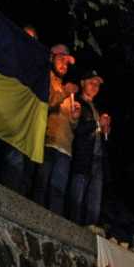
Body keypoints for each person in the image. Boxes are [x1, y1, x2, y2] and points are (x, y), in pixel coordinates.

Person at [32, 44, 80, 214]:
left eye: (67, 64)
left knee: (58, 192)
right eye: (61, 60)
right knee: (41, 184)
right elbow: (47, 104)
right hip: (48, 141)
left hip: (65, 148)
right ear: (51, 57)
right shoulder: (47, 79)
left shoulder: (64, 87)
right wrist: (64, 93)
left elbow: (71, 125)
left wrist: (74, 118)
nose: (64, 65)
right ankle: (35, 218)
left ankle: (53, 227)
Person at [67, 69, 107, 226]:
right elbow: (78, 129)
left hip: (97, 158)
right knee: (77, 194)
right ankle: (71, 227)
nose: (95, 86)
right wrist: (98, 124)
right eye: (92, 82)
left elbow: (99, 134)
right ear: (83, 83)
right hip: (82, 156)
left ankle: (90, 230)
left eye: (97, 84)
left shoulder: (96, 108)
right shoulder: (77, 103)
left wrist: (105, 133)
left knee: (94, 199)